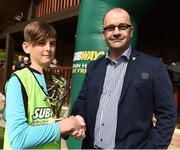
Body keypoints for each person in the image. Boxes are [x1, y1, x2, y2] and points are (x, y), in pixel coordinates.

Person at [71, 7, 177, 149]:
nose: (116, 32)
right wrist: (78, 117)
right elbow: (82, 101)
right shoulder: (93, 67)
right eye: (110, 28)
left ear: (131, 31)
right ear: (104, 34)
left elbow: (167, 114)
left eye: (122, 27)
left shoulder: (153, 66)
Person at [3, 21, 85, 149]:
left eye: (52, 43)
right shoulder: (18, 80)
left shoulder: (57, 81)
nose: (48, 48)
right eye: (41, 43)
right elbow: (19, 139)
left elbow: (49, 121)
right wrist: (66, 125)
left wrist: (70, 128)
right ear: (26, 47)